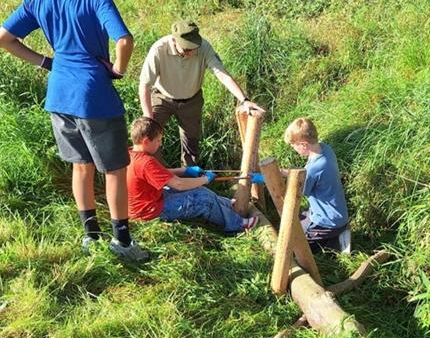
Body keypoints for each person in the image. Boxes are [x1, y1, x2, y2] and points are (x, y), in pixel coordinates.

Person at [0, 0, 147, 262]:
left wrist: (46, 62)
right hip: (94, 96)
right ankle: (122, 243)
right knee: (115, 170)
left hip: (59, 95)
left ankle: (91, 236)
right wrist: (118, 70)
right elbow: (124, 40)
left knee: (81, 167)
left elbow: (2, 39)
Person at [139, 20, 264, 167]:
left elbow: (222, 74)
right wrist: (149, 119)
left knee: (191, 143)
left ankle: (189, 179)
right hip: (162, 98)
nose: (191, 53)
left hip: (192, 100)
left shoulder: (204, 47)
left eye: (194, 48)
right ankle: (157, 177)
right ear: (174, 41)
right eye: (186, 50)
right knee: (150, 137)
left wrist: (244, 100)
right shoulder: (158, 50)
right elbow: (144, 85)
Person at [127, 117, 258, 233]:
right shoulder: (146, 161)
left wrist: (185, 170)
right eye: (158, 141)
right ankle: (238, 224)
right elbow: (179, 184)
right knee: (203, 200)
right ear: (145, 141)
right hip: (149, 211)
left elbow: (159, 173)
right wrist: (205, 179)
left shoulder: (131, 154)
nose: (160, 144)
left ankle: (228, 205)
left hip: (147, 201)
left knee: (197, 189)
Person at [283, 118, 349, 253]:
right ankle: (333, 237)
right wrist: (281, 172)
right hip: (338, 215)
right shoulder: (325, 149)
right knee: (301, 221)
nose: (293, 148)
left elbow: (300, 192)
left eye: (293, 145)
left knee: (297, 246)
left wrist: (273, 180)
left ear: (303, 144)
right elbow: (305, 174)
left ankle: (334, 242)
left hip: (327, 222)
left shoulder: (314, 168)